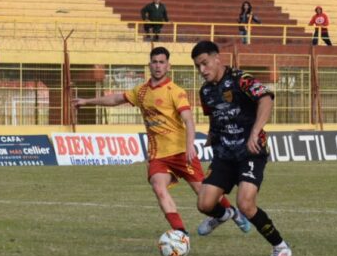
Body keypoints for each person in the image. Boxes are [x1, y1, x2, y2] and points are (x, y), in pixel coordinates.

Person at [73, 47, 250, 238]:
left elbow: (189, 120)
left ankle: (231, 213)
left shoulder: (175, 91)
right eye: (155, 62)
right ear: (149, 65)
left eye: (162, 62)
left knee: (204, 193)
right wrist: (87, 101)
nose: (158, 66)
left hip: (181, 151)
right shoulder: (141, 91)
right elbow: (116, 98)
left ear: (168, 66)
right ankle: (180, 233)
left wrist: (190, 145)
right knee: (158, 187)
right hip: (158, 155)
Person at [191, 40, 291, 256]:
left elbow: (266, 98)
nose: (202, 70)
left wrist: (255, 132)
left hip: (250, 152)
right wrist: (211, 136)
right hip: (224, 155)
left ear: (217, 59)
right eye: (198, 66)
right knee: (204, 204)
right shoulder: (205, 91)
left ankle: (280, 246)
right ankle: (225, 214)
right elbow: (214, 115)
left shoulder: (240, 79)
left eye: (205, 63)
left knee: (245, 204)